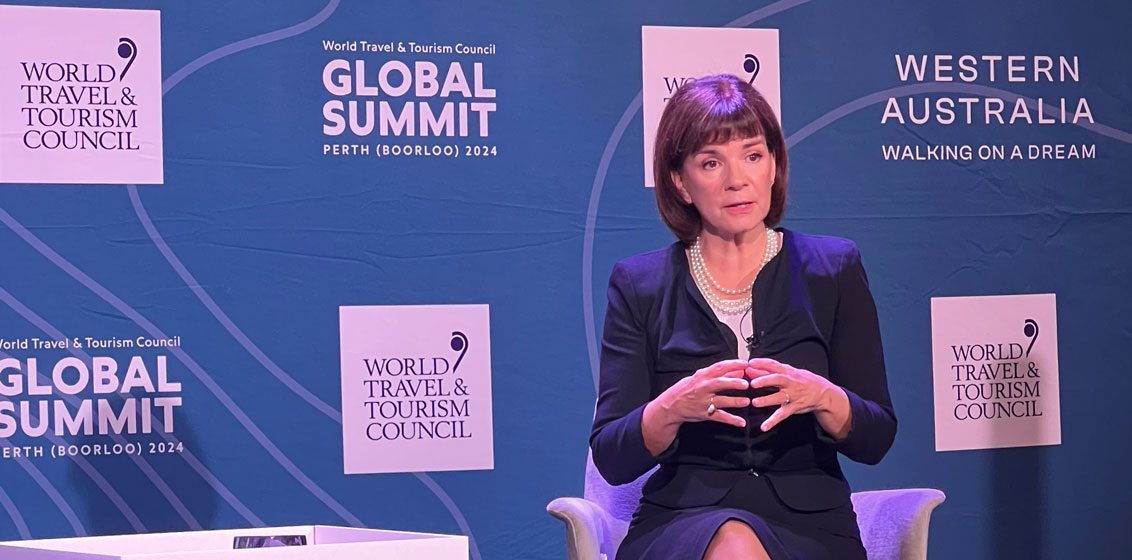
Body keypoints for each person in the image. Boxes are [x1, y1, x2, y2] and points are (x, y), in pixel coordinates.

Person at [589, 74, 896, 560]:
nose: (737, 180)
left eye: (752, 155)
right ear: (680, 182)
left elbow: (876, 437)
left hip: (812, 521)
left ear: (773, 165)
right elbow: (612, 455)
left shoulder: (833, 269)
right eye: (711, 163)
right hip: (682, 517)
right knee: (734, 543)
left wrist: (823, 396)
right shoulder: (639, 284)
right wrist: (673, 407)